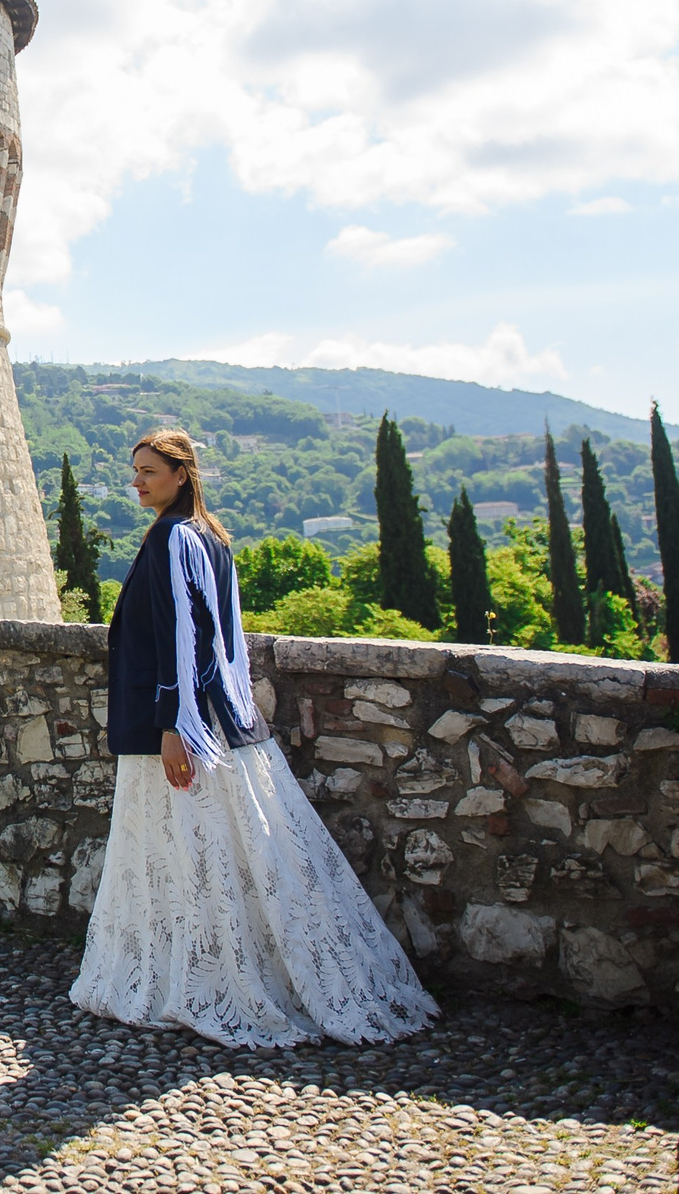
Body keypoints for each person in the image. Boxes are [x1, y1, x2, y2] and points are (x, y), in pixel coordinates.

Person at [69, 428, 438, 1048]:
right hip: (223, 716)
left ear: (181, 475)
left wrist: (172, 729)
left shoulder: (170, 539)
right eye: (134, 470)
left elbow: (176, 643)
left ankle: (205, 979)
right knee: (231, 851)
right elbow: (223, 642)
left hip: (185, 724)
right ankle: (223, 970)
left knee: (190, 849)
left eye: (149, 471)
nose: (137, 481)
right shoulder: (210, 537)